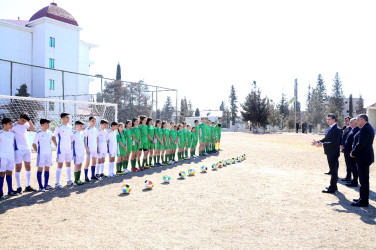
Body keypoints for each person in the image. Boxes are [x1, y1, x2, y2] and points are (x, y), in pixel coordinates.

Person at [311, 114, 342, 193]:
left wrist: (322, 144)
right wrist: (318, 141)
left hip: (333, 152)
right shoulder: (331, 127)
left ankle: (332, 188)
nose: (327, 121)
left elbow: (335, 143)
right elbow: (326, 138)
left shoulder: (337, 129)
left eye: (329, 119)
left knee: (333, 171)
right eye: (327, 119)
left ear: (334, 120)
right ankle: (334, 186)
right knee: (333, 170)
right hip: (330, 152)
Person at [350, 114, 375, 207]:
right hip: (364, 156)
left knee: (364, 180)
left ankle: (364, 201)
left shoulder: (365, 129)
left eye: (357, 120)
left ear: (362, 120)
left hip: (364, 157)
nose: (356, 122)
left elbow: (360, 144)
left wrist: (353, 153)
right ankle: (362, 198)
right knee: (363, 179)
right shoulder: (367, 128)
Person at [12, 112, 36, 194]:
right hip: (18, 149)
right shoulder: (13, 126)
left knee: (28, 166)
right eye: (22, 120)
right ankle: (19, 187)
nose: (23, 122)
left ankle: (28, 186)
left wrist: (29, 121)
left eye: (25, 121)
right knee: (18, 167)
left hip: (27, 148)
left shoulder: (26, 124)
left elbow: (32, 129)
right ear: (19, 118)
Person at [52, 112, 73, 188]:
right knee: (60, 165)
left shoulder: (70, 127)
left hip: (68, 149)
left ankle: (69, 180)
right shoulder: (59, 127)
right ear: (62, 118)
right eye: (67, 117)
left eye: (69, 117)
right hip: (61, 149)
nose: (68, 118)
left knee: (68, 164)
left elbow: (71, 137)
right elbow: (53, 137)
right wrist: (57, 146)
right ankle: (57, 183)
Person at [32, 118, 53, 191]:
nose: (48, 125)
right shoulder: (39, 133)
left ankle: (46, 185)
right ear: (42, 124)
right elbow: (34, 144)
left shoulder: (50, 133)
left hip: (48, 154)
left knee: (47, 168)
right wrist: (37, 152)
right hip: (41, 155)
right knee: (40, 169)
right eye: (47, 123)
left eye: (49, 123)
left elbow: (50, 142)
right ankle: (41, 186)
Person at [0, 118, 19, 197]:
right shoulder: (0, 133)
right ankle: (0, 192)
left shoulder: (12, 134)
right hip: (2, 156)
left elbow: (13, 145)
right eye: (10, 124)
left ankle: (10, 190)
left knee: (9, 172)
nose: (11, 125)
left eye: (11, 124)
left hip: (10, 156)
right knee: (1, 173)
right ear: (4, 124)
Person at [343, 118, 359, 187]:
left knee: (354, 167)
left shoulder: (357, 130)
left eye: (351, 122)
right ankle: (351, 179)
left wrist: (353, 151)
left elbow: (355, 142)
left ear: (355, 123)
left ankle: (354, 181)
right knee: (350, 166)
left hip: (352, 151)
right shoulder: (352, 129)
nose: (349, 123)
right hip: (348, 150)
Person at [84, 116, 99, 182]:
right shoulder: (87, 129)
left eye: (95, 121)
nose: (94, 122)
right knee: (87, 163)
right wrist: (86, 149)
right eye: (92, 121)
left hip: (94, 149)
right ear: (89, 121)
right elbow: (84, 140)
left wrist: (98, 148)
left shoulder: (96, 129)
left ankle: (93, 176)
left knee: (94, 162)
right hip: (89, 149)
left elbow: (96, 139)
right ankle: (86, 177)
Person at [71, 120, 85, 185]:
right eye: (80, 125)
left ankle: (78, 179)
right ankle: (76, 180)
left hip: (82, 152)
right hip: (76, 152)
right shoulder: (74, 134)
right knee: (76, 165)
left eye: (82, 126)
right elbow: (71, 143)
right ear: (76, 126)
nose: (81, 127)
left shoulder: (82, 133)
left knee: (80, 164)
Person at [340, 116, 352, 182]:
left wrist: (344, 145)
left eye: (347, 120)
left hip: (348, 148)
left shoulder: (351, 129)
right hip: (345, 148)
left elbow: (348, 139)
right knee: (347, 163)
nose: (345, 122)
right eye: (345, 120)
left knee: (350, 164)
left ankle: (349, 177)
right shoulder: (346, 128)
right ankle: (348, 176)